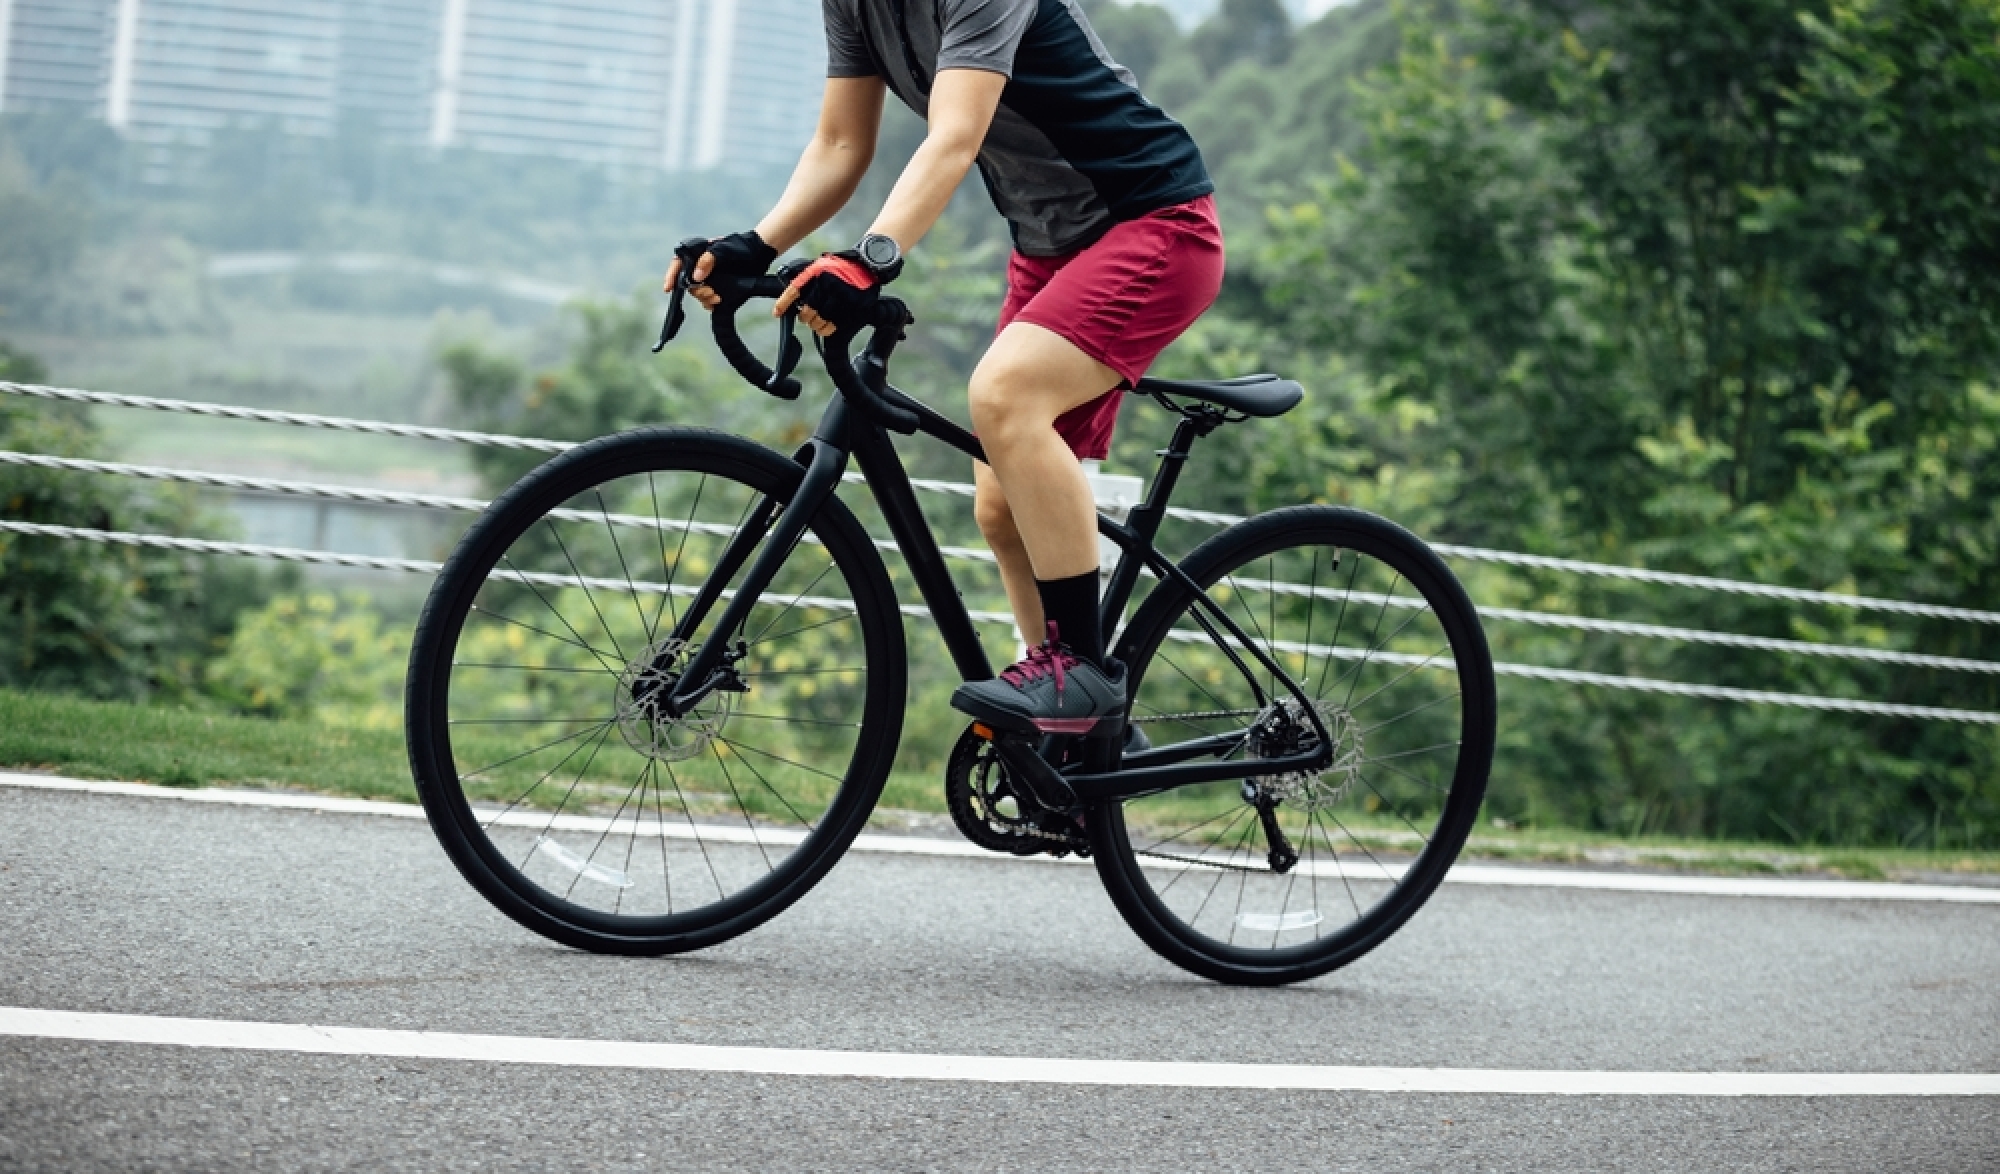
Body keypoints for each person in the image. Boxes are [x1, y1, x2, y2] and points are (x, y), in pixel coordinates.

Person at [664, 0, 1223, 742]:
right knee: (999, 505)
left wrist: (868, 262)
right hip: (1049, 250)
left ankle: (1079, 675)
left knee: (1003, 397)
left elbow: (955, 135)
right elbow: (838, 143)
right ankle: (1070, 724)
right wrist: (754, 247)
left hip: (1155, 223)